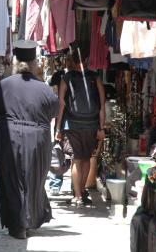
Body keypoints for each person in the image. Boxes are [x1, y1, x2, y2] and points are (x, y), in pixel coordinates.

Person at [0, 40, 59, 239]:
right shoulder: (44, 88)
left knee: (11, 178)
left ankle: (18, 224)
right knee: (34, 179)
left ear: (16, 61)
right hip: (37, 139)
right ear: (35, 62)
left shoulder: (5, 85)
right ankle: (28, 219)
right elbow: (54, 109)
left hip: (10, 137)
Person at [55, 49, 106, 207]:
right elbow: (102, 105)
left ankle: (77, 196)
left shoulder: (66, 77)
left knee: (76, 160)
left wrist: (58, 128)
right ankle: (82, 192)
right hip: (91, 124)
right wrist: (101, 128)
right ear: (86, 60)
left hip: (73, 124)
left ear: (73, 61)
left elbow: (61, 104)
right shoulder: (95, 77)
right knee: (86, 159)